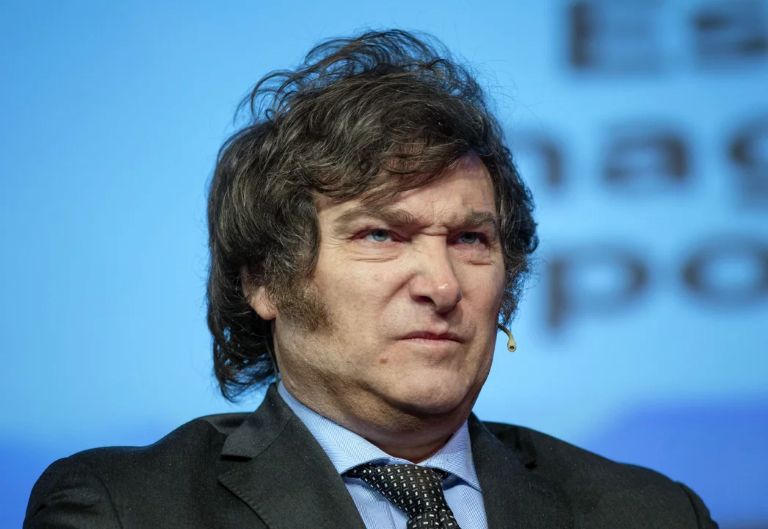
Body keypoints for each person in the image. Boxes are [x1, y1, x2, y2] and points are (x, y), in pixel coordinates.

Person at [24, 29, 717, 529]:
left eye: (470, 239)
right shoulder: (127, 507)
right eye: (381, 235)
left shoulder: (650, 512)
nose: (442, 285)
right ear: (265, 280)